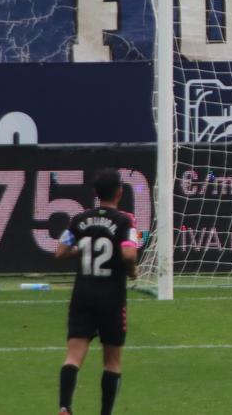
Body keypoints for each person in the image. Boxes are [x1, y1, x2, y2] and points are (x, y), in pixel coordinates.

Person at [54, 169, 140, 415]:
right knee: (112, 360)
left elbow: (60, 251)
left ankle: (65, 407)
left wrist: (81, 251)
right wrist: (132, 271)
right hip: (111, 298)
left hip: (82, 295)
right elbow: (128, 253)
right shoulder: (125, 220)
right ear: (120, 193)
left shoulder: (79, 219)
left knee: (73, 356)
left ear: (94, 193)